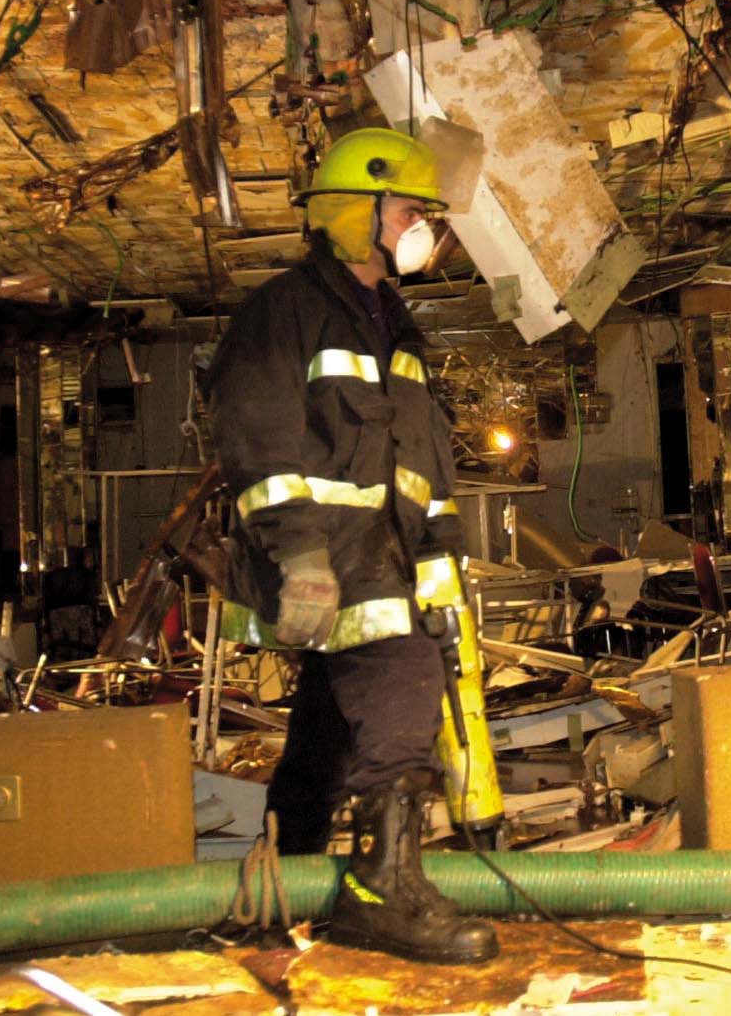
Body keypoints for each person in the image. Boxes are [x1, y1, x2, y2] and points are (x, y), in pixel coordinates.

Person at [210, 128, 499, 964]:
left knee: (325, 739)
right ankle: (381, 894)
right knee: (402, 688)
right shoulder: (281, 313)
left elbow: (423, 468)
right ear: (354, 211)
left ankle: (280, 890)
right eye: (409, 211)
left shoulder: (398, 331)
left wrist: (443, 560)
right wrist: (299, 558)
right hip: (328, 563)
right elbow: (257, 442)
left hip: (389, 563)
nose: (422, 230)